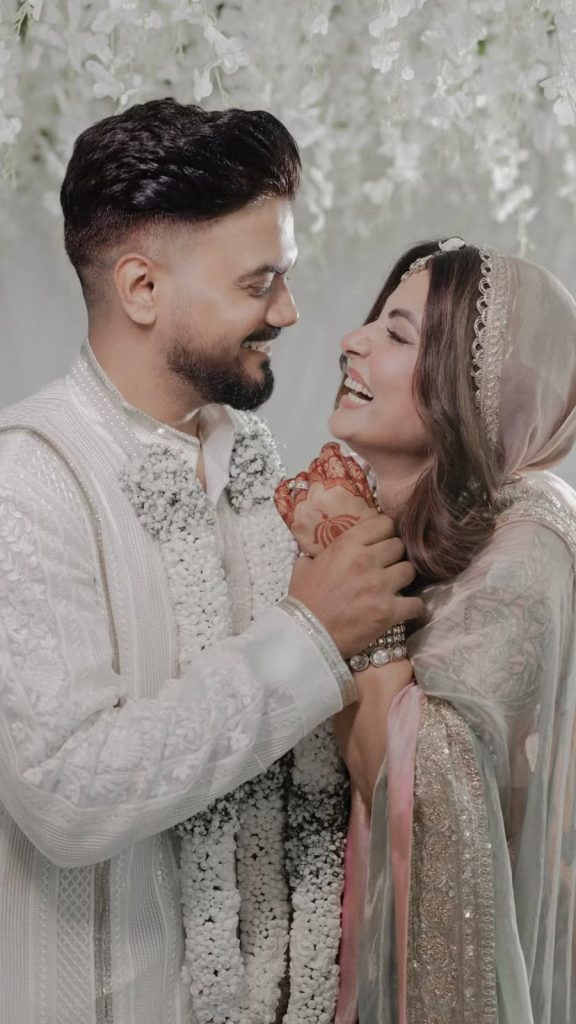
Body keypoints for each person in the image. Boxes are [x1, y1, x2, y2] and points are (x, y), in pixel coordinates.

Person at [0, 99, 422, 1024]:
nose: (290, 312)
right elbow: (67, 796)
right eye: (259, 282)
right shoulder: (28, 481)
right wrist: (307, 639)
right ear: (142, 289)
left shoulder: (263, 474)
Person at [325, 237, 576, 1023]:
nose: (352, 340)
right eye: (375, 321)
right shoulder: (391, 521)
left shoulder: (530, 544)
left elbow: (430, 798)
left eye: (397, 334)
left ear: (473, 389)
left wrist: (353, 605)